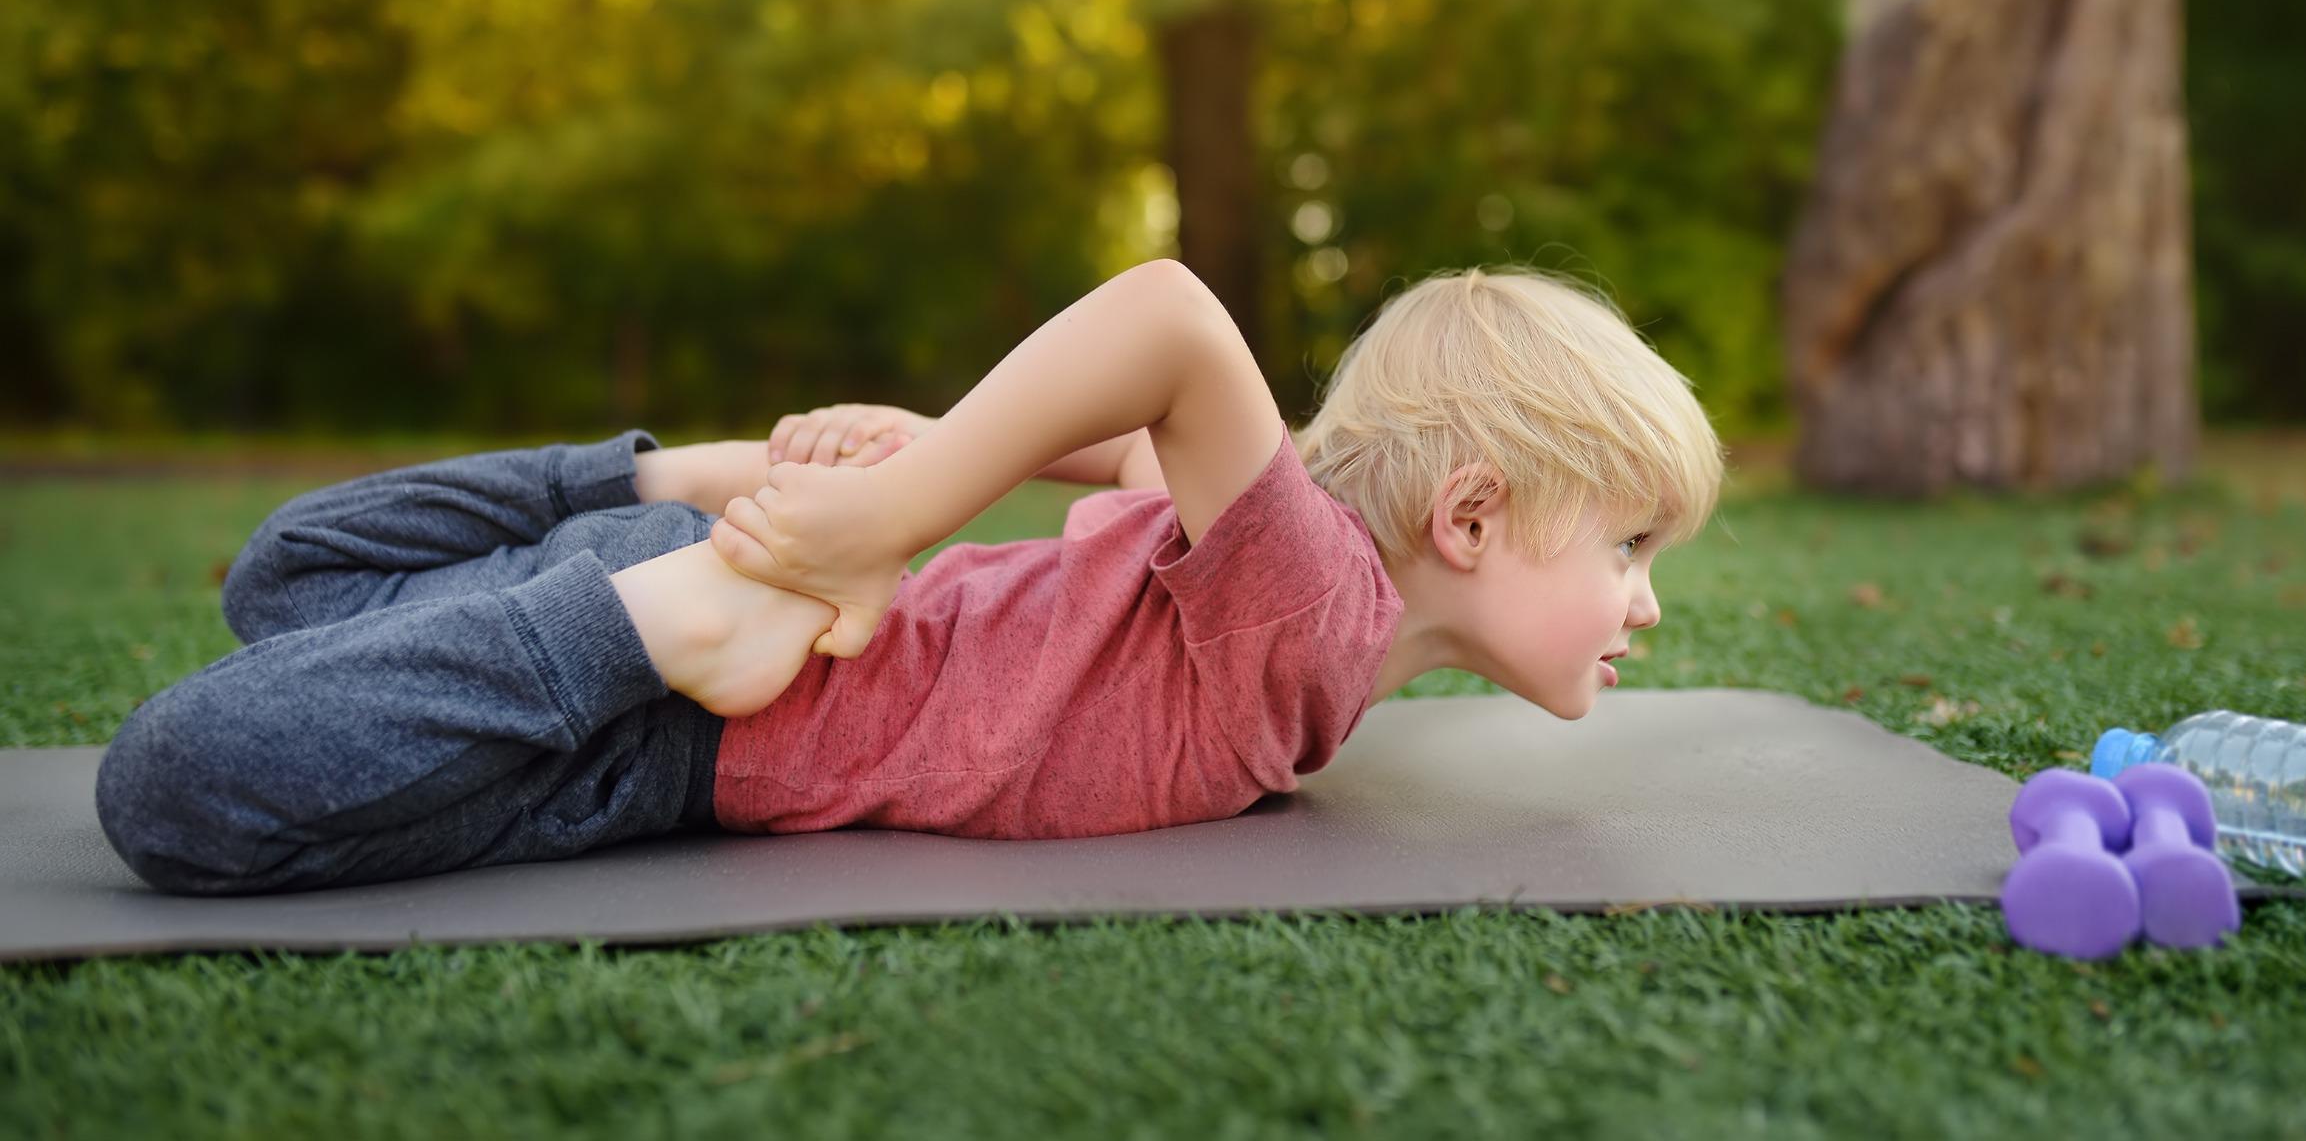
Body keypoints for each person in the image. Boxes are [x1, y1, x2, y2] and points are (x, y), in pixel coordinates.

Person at [94, 259, 1724, 894]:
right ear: (1470, 516)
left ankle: (667, 485)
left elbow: (1149, 446)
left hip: (717, 597)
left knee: (290, 579)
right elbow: (1165, 318)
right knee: (171, 793)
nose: (1646, 597)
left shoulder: (1281, 567)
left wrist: (892, 464)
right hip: (681, 705)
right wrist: (907, 503)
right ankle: (683, 589)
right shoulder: (1310, 615)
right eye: (1631, 542)